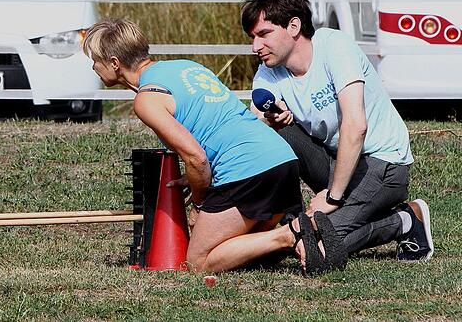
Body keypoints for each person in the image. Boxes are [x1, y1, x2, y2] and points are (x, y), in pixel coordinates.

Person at [83, 18, 345, 275]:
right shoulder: (187, 67)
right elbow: (216, 126)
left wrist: (199, 204)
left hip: (248, 171)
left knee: (199, 261)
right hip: (282, 161)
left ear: (115, 63)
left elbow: (196, 158)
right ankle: (305, 240)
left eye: (95, 59)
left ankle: (291, 233)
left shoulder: (147, 99)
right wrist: (200, 177)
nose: (93, 66)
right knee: (242, 255)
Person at [241, 0, 433, 261]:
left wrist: (332, 197)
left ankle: (406, 220)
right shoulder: (268, 73)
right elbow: (254, 128)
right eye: (252, 37)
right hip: (337, 163)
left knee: (319, 247)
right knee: (277, 132)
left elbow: (356, 125)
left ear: (293, 27)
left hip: (382, 162)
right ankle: (291, 214)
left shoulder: (334, 46)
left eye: (263, 34)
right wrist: (270, 118)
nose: (255, 46)